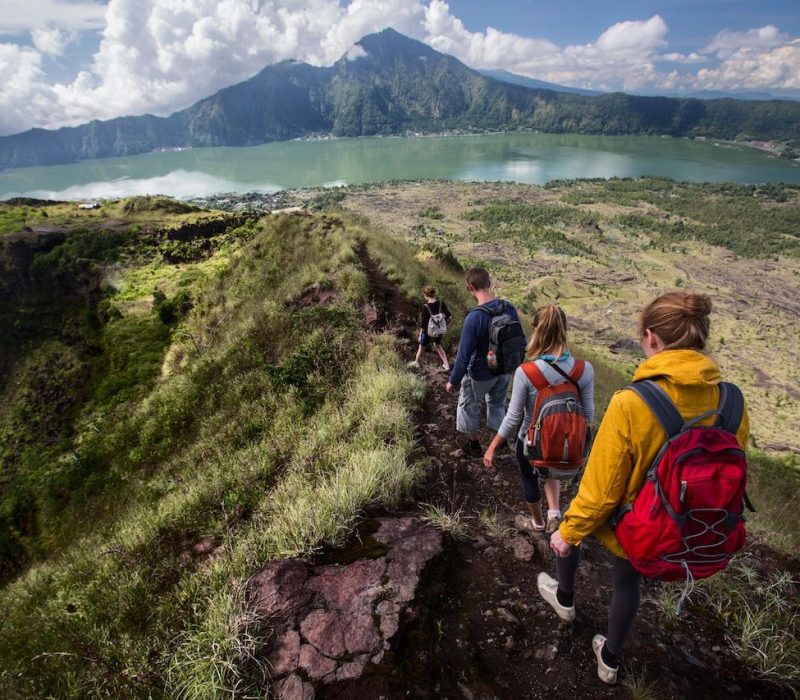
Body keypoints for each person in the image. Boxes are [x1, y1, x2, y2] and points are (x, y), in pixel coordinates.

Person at [538, 292, 749, 685]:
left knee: (572, 526)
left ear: (651, 338)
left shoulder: (632, 403)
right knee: (627, 582)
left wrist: (568, 534)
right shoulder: (732, 401)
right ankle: (610, 659)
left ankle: (564, 599)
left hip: (635, 525)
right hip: (689, 526)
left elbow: (600, 491)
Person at [483, 305, 594, 535]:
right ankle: (555, 514)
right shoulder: (585, 370)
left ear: (537, 331)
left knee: (530, 477)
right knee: (551, 466)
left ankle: (538, 523)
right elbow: (589, 416)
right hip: (564, 444)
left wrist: (493, 447)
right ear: (564, 330)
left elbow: (513, 417)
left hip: (530, 442)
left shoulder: (527, 372)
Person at [445, 267, 523, 457]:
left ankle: (473, 444)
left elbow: (464, 356)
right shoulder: (509, 308)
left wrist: (453, 381)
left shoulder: (474, 317)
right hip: (505, 370)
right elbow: (520, 341)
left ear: (470, 287)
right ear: (489, 283)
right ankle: (501, 443)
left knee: (467, 404)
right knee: (497, 404)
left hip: (480, 373)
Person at [408, 285, 452, 371]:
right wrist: (444, 324)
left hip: (428, 331)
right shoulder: (441, 303)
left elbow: (423, 324)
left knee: (422, 345)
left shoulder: (425, 307)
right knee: (438, 346)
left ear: (425, 295)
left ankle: (416, 362)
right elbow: (450, 317)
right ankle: (446, 365)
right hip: (439, 330)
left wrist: (420, 335)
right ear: (434, 293)